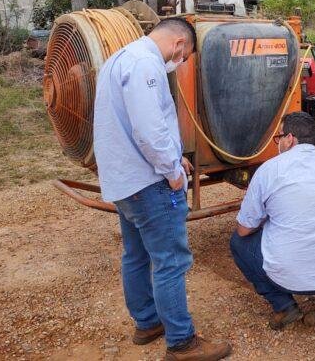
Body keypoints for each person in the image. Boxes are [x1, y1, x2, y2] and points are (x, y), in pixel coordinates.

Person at [93, 18, 231, 361]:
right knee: (171, 262)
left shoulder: (119, 59)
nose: (179, 63)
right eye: (183, 57)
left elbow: (130, 124)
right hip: (149, 183)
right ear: (179, 45)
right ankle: (182, 343)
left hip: (124, 181)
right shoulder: (146, 64)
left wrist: (174, 155)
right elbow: (148, 129)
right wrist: (171, 170)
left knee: (136, 255)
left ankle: (147, 322)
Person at [229, 112, 315, 330]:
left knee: (238, 243)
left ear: (289, 138)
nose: (278, 143)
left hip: (287, 279)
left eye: (279, 137)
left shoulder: (268, 170)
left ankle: (284, 305)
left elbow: (243, 230)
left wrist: (268, 220)